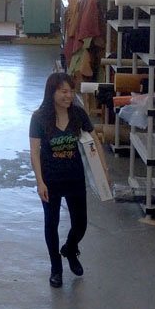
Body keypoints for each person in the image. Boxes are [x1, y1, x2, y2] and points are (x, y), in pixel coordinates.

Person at [28, 72, 108, 288]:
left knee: (80, 223)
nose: (68, 96)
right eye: (64, 91)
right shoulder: (39, 118)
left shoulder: (78, 114)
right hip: (51, 179)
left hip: (74, 177)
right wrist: (40, 182)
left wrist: (104, 172)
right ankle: (56, 268)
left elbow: (95, 143)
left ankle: (70, 249)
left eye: (71, 91)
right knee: (51, 224)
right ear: (52, 92)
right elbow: (35, 152)